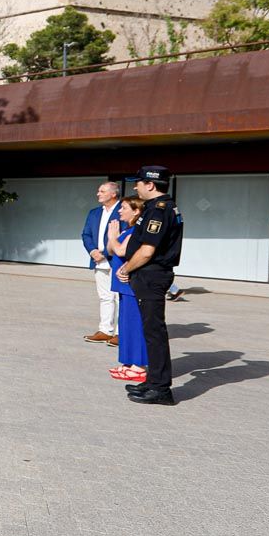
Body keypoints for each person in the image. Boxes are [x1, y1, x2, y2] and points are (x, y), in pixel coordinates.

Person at [117, 166, 184, 406]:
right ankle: (153, 381)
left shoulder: (159, 211)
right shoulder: (158, 208)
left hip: (151, 275)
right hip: (149, 275)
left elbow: (146, 252)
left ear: (151, 185)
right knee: (151, 332)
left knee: (155, 333)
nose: (136, 187)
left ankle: (161, 389)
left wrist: (125, 269)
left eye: (139, 183)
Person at [106, 197, 148, 383]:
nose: (120, 211)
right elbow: (111, 249)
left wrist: (113, 238)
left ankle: (139, 366)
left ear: (136, 211)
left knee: (135, 324)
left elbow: (121, 251)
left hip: (132, 284)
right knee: (125, 325)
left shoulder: (135, 231)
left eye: (123, 208)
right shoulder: (125, 230)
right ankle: (128, 361)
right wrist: (112, 237)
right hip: (122, 285)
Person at [82, 181, 122, 346]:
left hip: (117, 261)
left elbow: (124, 236)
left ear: (113, 194)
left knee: (120, 298)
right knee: (105, 297)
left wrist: (104, 253)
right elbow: (86, 234)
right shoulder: (94, 213)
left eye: (102, 191)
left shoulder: (123, 211)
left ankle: (121, 333)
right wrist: (93, 252)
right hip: (98, 261)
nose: (98, 193)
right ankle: (105, 330)